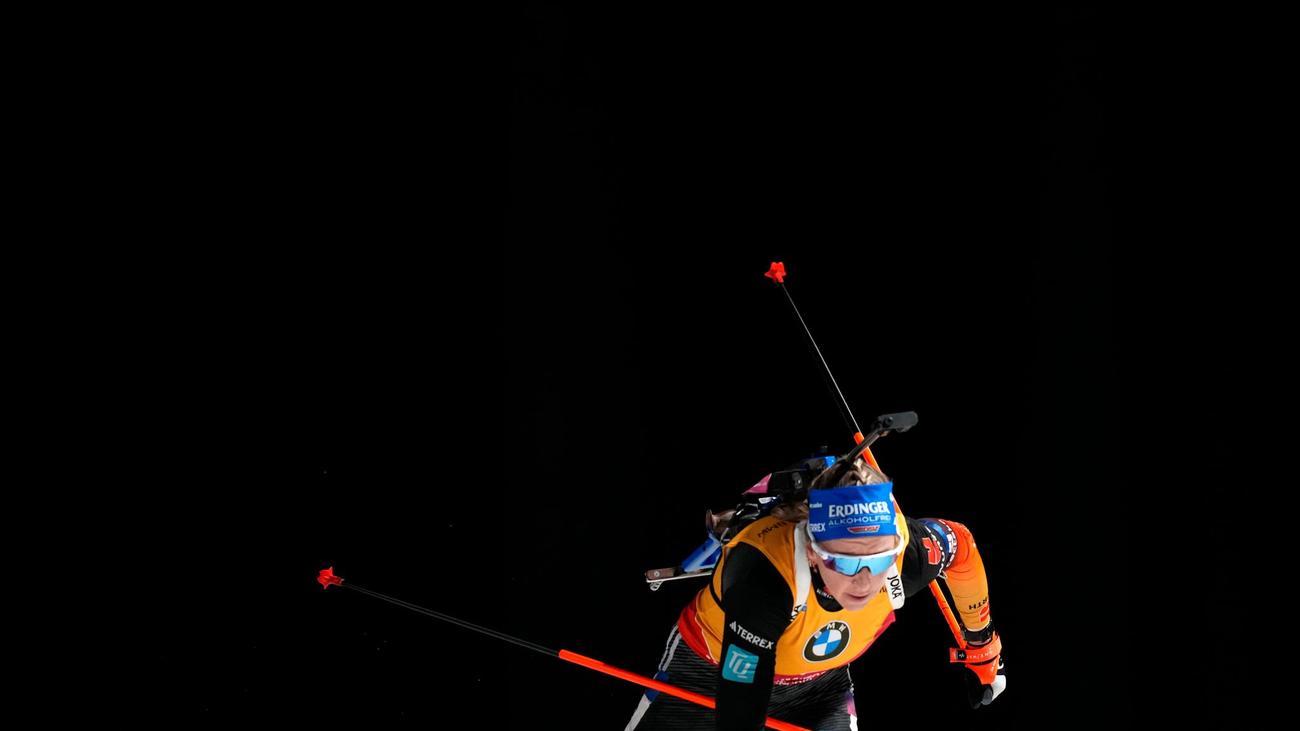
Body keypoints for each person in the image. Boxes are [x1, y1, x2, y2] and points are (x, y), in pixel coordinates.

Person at [625, 457, 1006, 730]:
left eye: (879, 559)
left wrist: (982, 644)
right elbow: (742, 694)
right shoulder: (765, 575)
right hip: (709, 672)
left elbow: (962, 546)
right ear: (813, 551)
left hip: (820, 687)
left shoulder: (909, 556)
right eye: (845, 562)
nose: (864, 581)